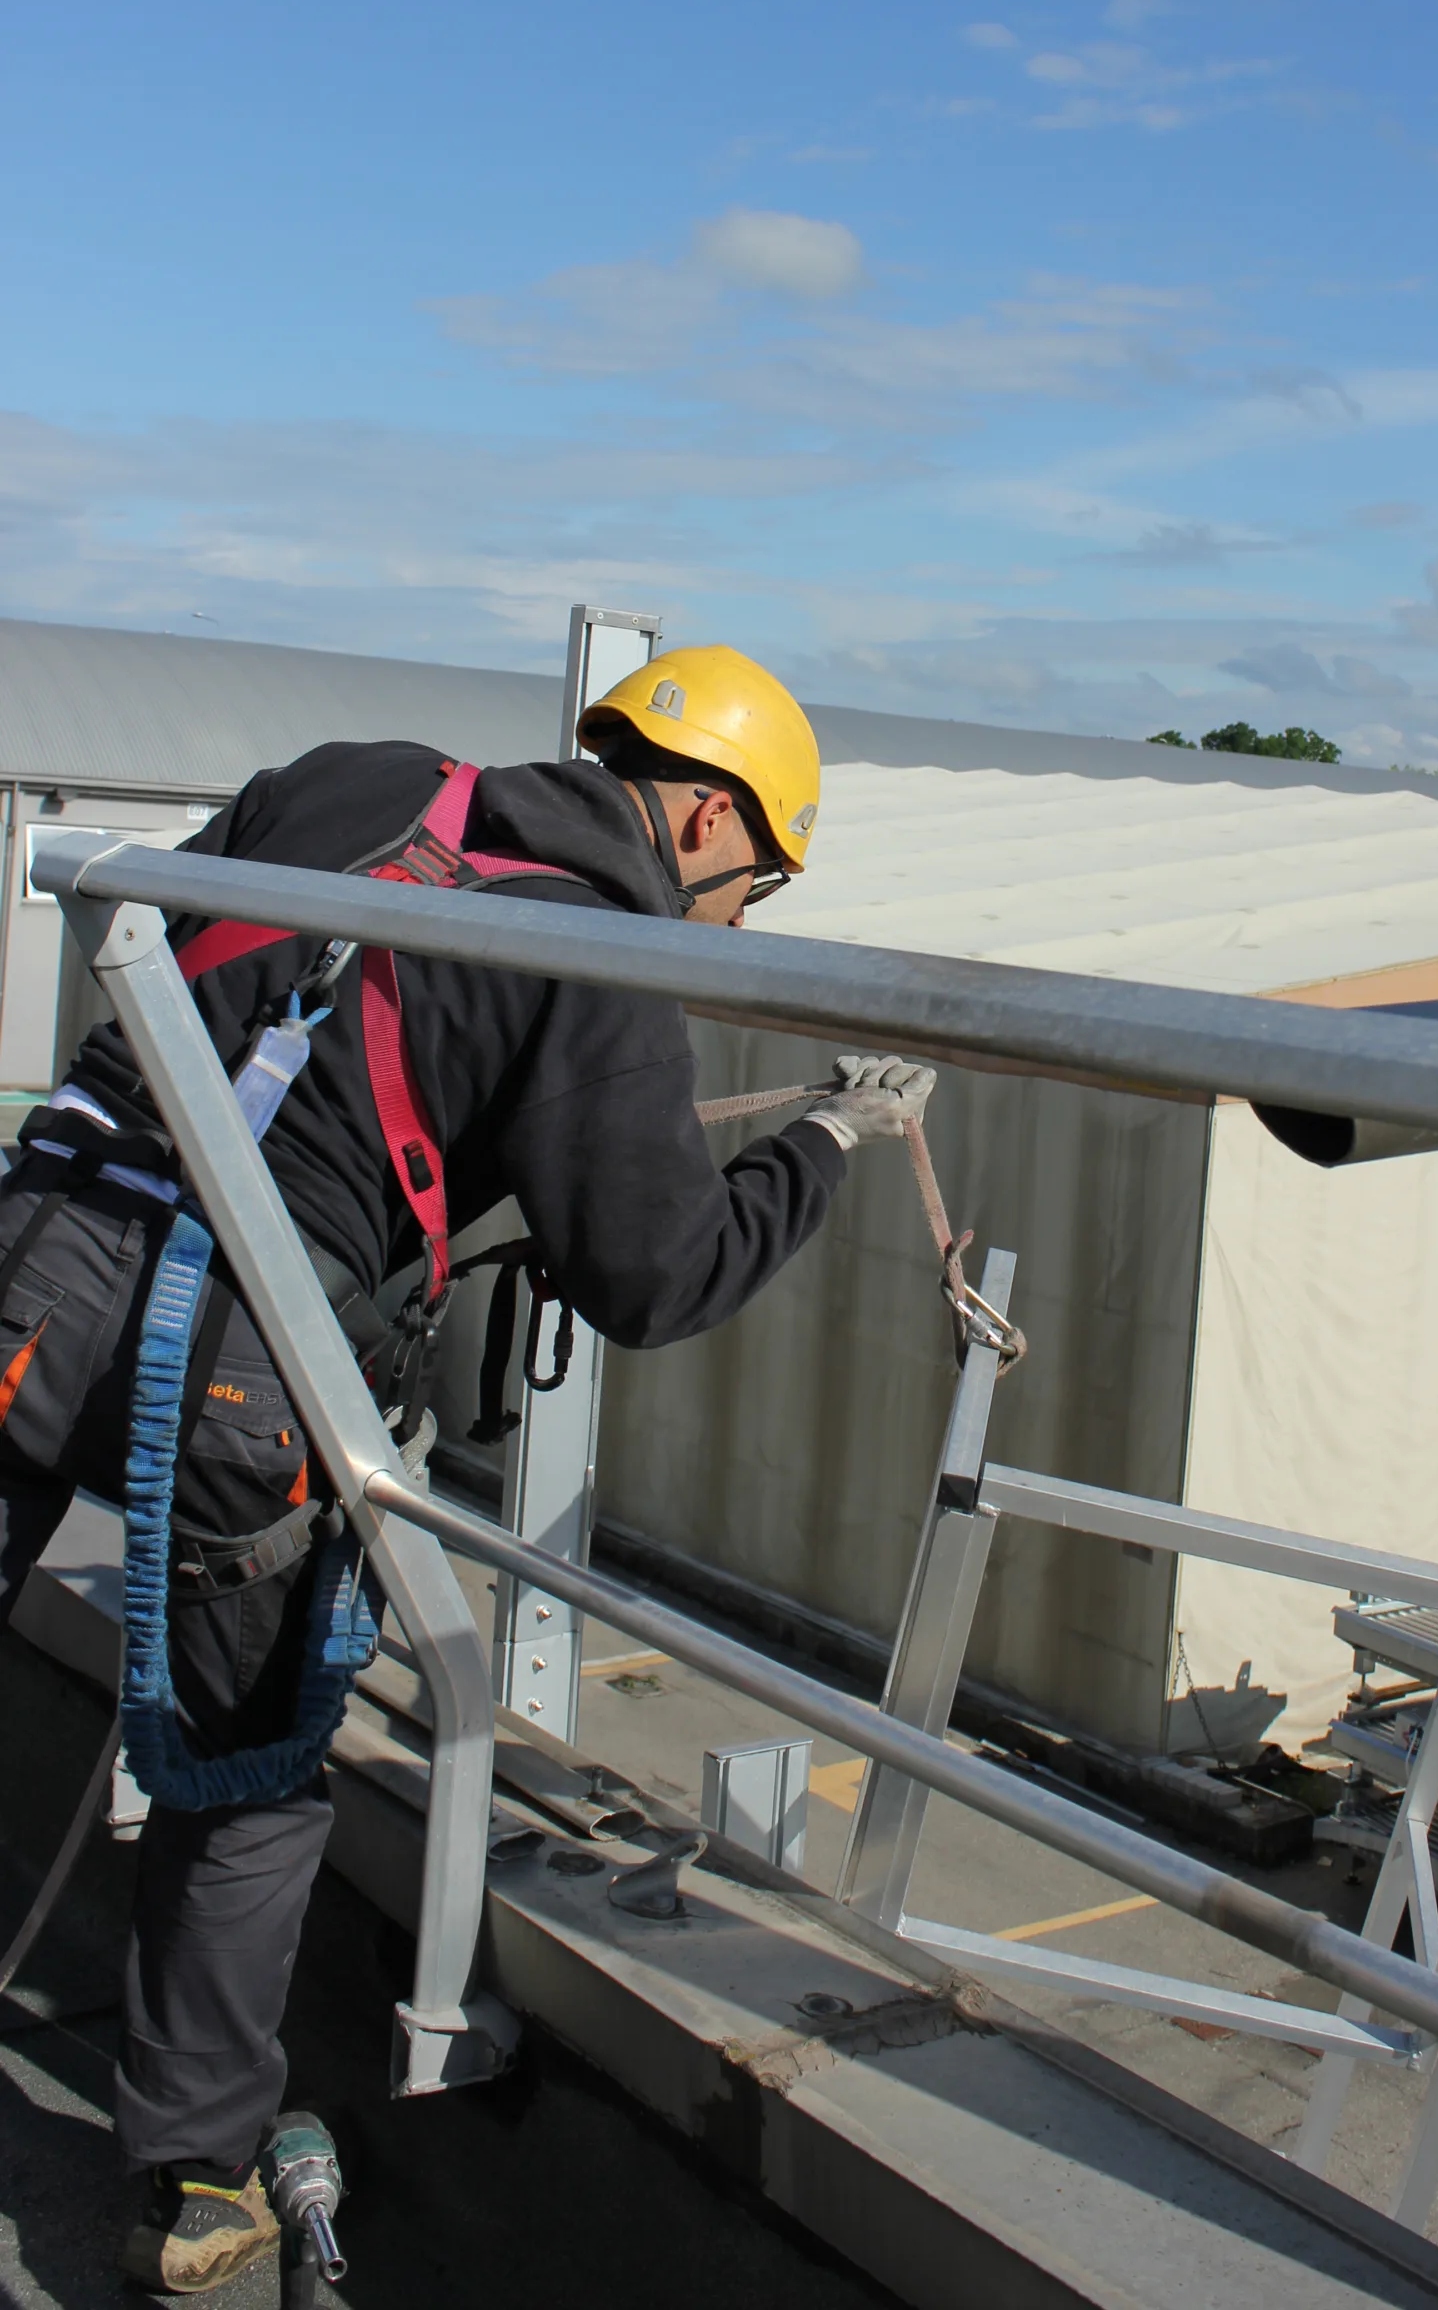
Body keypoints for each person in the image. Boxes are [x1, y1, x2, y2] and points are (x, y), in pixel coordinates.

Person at [0, 643, 932, 2293]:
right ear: (708, 821)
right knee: (243, 1775)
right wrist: (825, 1146)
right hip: (233, 1357)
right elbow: (657, 1275)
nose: (735, 927)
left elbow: (150, 949)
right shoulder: (598, 959)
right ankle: (197, 2175)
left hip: (39, 1248)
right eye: (756, 889)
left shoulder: (359, 778)